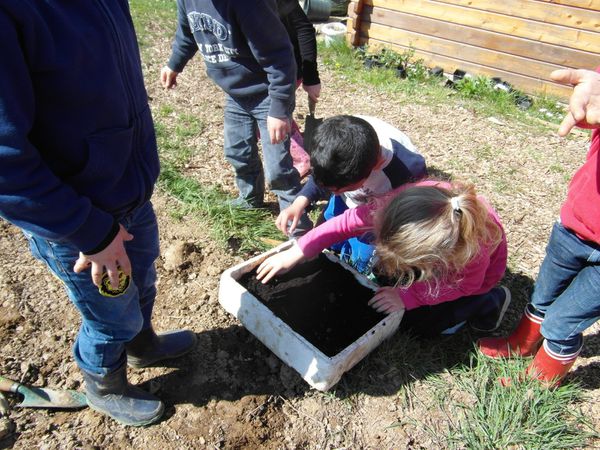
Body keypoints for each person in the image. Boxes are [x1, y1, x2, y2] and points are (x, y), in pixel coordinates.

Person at [0, 2, 196, 426]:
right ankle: (104, 382)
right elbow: (6, 163)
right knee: (110, 317)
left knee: (143, 279)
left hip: (128, 193)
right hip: (79, 220)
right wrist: (90, 232)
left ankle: (142, 345)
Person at [259, 180, 511, 336]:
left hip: (474, 282)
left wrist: (408, 296)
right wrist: (301, 249)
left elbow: (465, 284)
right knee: (383, 284)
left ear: (431, 260)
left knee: (424, 325)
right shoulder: (406, 204)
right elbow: (348, 222)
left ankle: (488, 303)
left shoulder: (470, 254)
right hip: (436, 253)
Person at [478, 67, 600, 386]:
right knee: (543, 296)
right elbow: (591, 108)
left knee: (563, 322)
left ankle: (541, 380)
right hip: (572, 229)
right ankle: (522, 344)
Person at [161, 0, 312, 234]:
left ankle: (298, 228)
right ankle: (251, 198)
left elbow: (280, 55)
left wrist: (280, 109)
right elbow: (187, 33)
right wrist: (174, 64)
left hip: (267, 94)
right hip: (236, 94)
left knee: (278, 168)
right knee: (237, 152)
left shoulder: (248, 4)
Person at [276, 115, 427, 273]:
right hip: (349, 201)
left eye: (341, 189)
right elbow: (323, 174)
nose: (332, 191)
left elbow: (406, 216)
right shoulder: (340, 141)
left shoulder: (408, 172)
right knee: (325, 240)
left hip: (380, 215)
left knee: (360, 262)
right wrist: (299, 202)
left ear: (372, 169)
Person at [276, 0, 321, 178]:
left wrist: (311, 78)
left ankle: (301, 159)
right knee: (276, 115)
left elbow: (304, 29)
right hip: (253, 72)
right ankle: (302, 151)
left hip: (285, 69)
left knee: (268, 117)